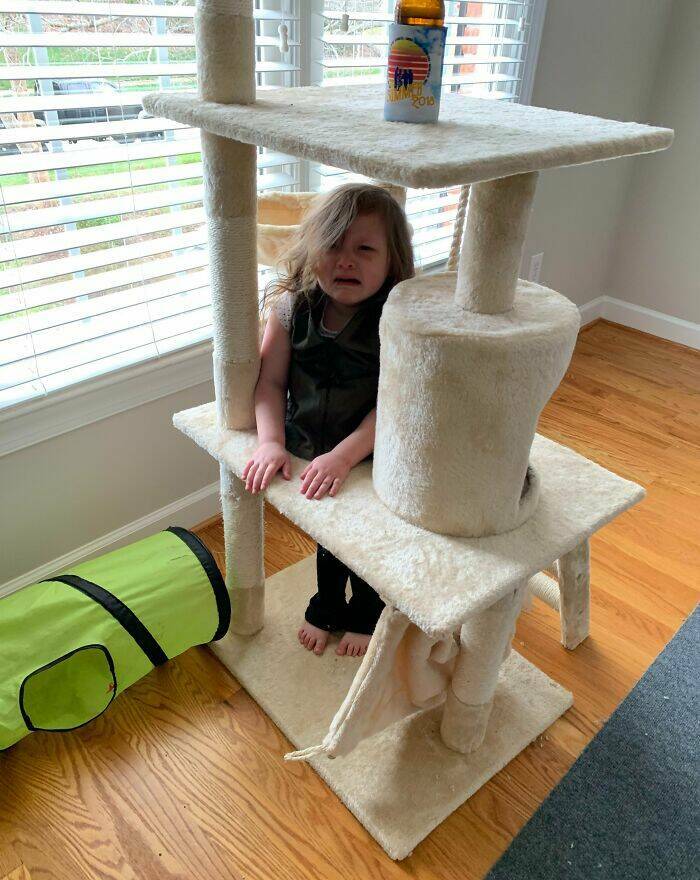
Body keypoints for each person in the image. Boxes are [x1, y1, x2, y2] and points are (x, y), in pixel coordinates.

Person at [242, 183, 415, 657]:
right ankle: (327, 602)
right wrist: (270, 441)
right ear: (311, 250)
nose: (346, 261)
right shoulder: (290, 308)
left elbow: (396, 403)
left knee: (366, 535)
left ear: (392, 261)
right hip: (306, 440)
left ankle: (367, 610)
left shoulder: (397, 320)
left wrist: (344, 455)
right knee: (328, 534)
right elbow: (269, 382)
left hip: (368, 448)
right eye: (333, 245)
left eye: (364, 249)